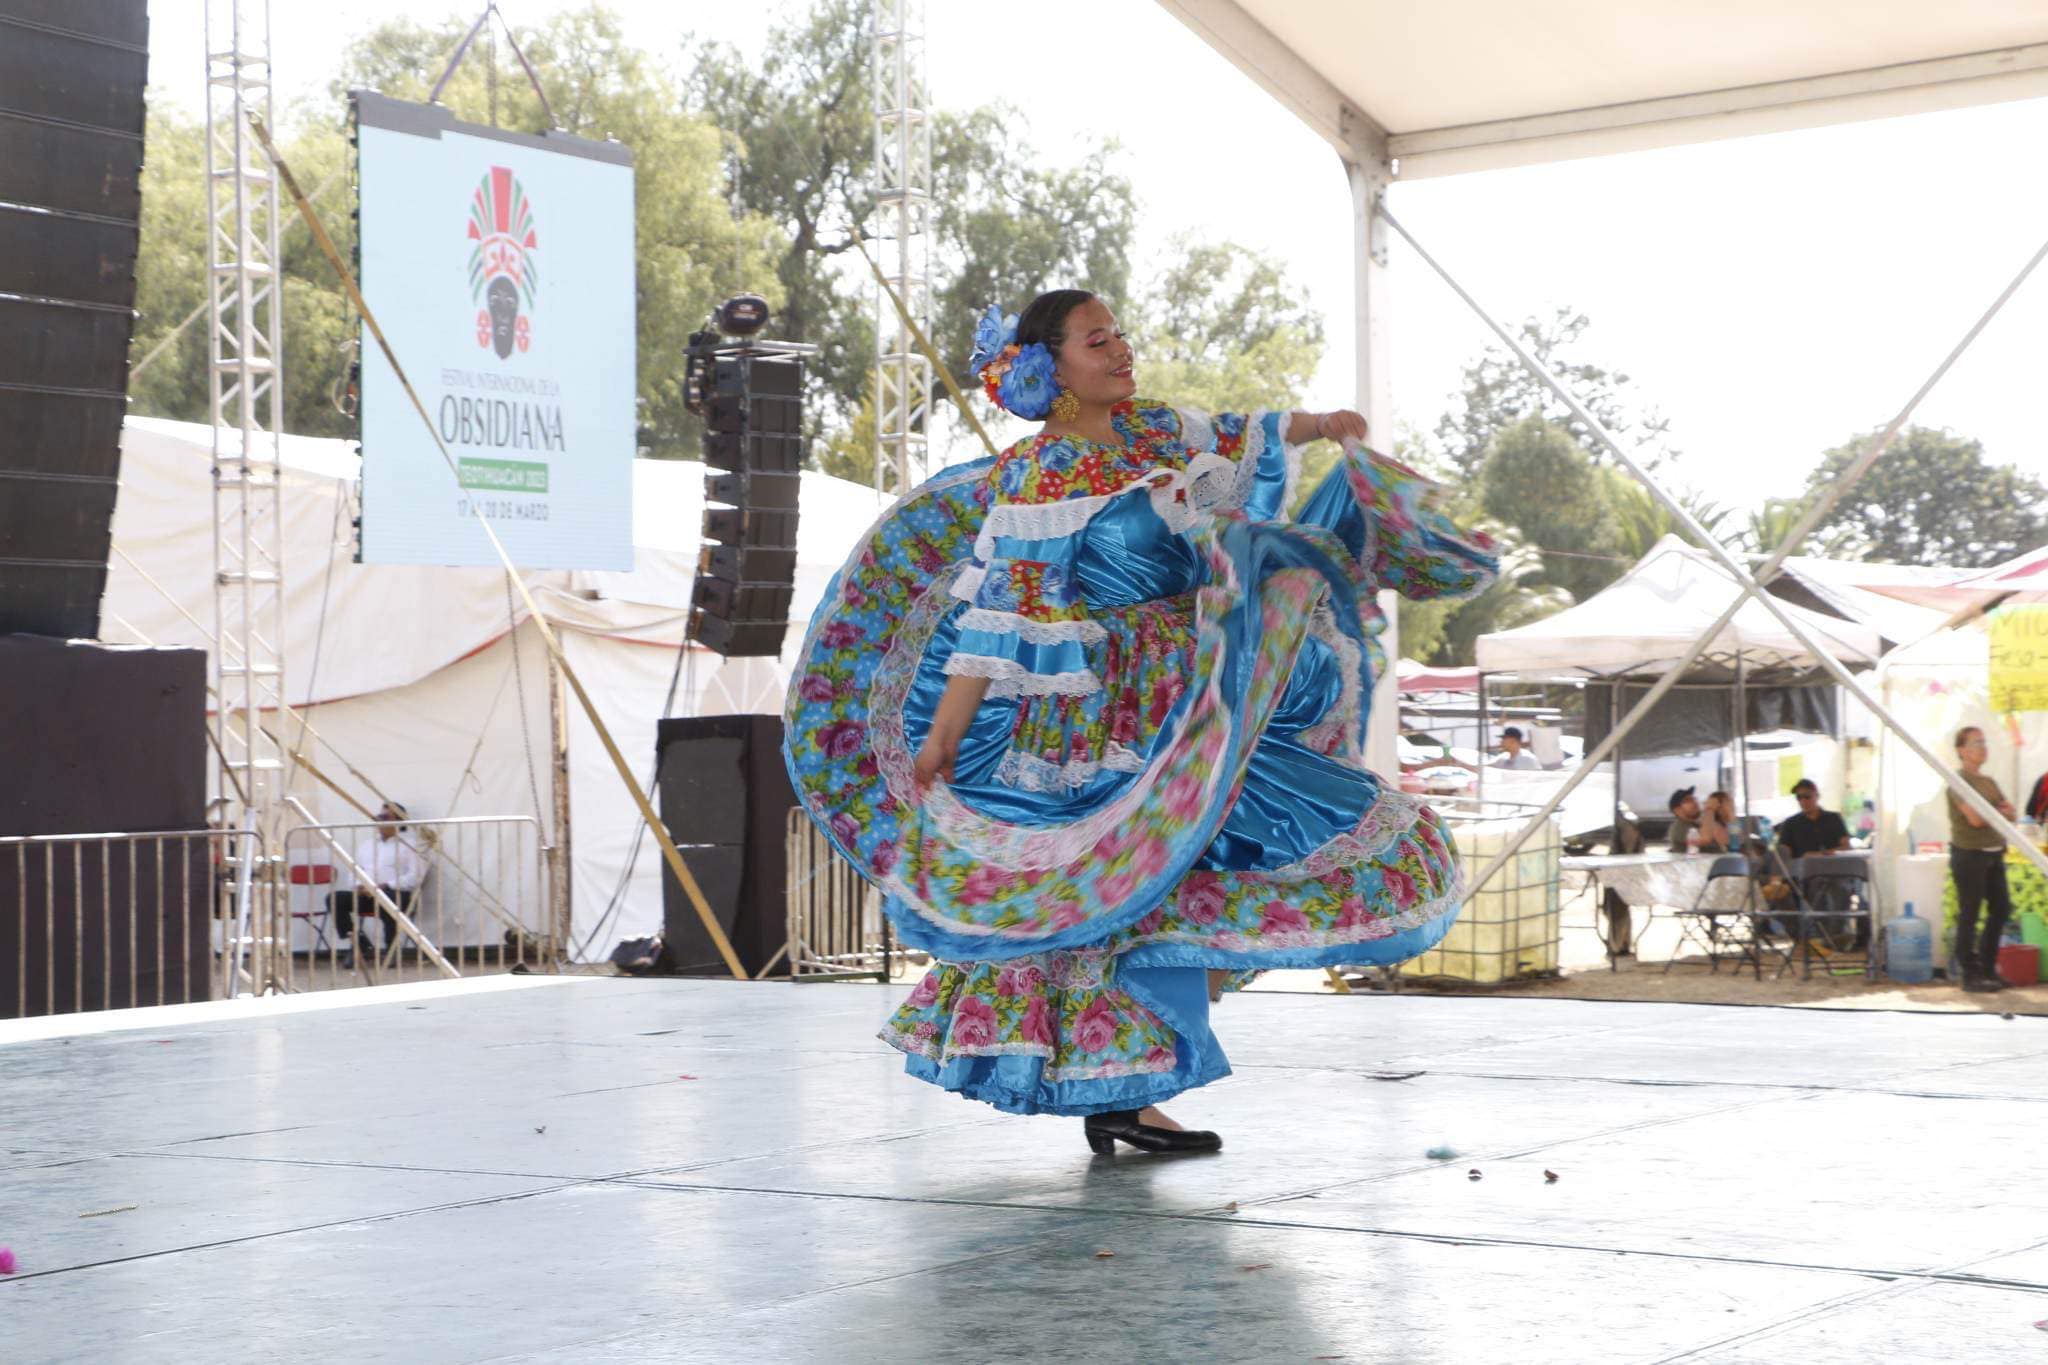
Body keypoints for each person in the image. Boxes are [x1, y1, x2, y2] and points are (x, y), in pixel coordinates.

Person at [786, 289, 1496, 1154]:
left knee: (1212, 868)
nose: (1121, 350)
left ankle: (1126, 1088)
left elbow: (1240, 431)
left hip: (1191, 692)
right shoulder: (1040, 477)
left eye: (1119, 334)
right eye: (1098, 340)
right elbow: (997, 621)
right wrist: (942, 735)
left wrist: (1317, 424)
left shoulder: (1155, 429)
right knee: (1110, 899)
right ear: (1055, 370)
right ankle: (1119, 1092)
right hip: (1096, 719)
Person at [1949, 726, 2016, 993]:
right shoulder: (1957, 781)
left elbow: (2010, 812)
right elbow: (1974, 820)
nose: (1982, 747)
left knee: (2001, 908)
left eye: (1984, 741)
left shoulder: (1989, 782)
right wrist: (1995, 811)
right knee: (1970, 912)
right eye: (1976, 742)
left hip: (1993, 853)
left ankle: (1988, 968)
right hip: (1969, 855)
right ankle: (1970, 973)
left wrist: (1993, 811)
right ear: (1962, 750)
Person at [327, 802, 424, 968]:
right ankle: (360, 944)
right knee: (335, 899)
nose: (379, 821)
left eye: (385, 817)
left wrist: (386, 885)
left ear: (399, 821)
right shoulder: (367, 845)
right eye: (379, 817)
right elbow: (354, 871)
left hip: (395, 893)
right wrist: (359, 885)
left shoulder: (410, 845)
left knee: (390, 900)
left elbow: (415, 876)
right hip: (366, 893)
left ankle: (392, 948)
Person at [1776, 779, 1850, 858]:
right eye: (1799, 797)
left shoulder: (1834, 818)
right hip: (1802, 869)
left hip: (1834, 867)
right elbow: (1784, 854)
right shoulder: (1790, 823)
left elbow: (1846, 847)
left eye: (1807, 797)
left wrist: (1819, 855)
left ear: (1817, 796)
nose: (1803, 801)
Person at [1666, 788, 1703, 852]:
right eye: (1688, 801)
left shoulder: (1697, 824)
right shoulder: (1679, 828)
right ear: (1677, 810)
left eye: (1694, 799)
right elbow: (1707, 842)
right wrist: (1710, 811)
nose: (1694, 802)